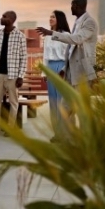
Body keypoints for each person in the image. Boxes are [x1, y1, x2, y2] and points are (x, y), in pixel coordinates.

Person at [36, 0, 98, 140]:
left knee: (83, 110)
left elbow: (76, 40)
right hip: (70, 72)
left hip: (82, 73)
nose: (70, 7)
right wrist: (65, 69)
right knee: (64, 108)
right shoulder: (77, 22)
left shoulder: (89, 22)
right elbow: (70, 51)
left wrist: (51, 33)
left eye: (72, 5)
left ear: (77, 6)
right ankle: (65, 136)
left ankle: (85, 141)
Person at [0, 10, 27, 134]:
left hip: (13, 75)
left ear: (10, 19)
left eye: (4, 17)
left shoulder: (20, 36)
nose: (1, 18)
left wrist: (21, 76)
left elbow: (24, 57)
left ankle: (10, 129)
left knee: (13, 102)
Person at [41, 10, 70, 143]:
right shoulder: (47, 36)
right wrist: (44, 72)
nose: (50, 18)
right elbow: (45, 56)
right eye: (50, 16)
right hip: (51, 69)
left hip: (62, 69)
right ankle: (56, 133)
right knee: (52, 102)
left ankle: (63, 133)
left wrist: (64, 70)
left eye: (53, 16)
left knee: (61, 103)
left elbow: (69, 56)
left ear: (59, 19)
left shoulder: (66, 35)